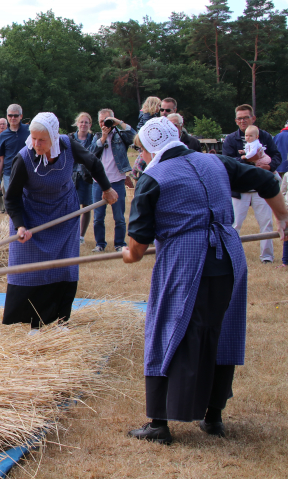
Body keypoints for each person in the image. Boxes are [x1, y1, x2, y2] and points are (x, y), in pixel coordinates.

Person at [123, 117, 288, 443]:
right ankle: (213, 418)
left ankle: (159, 424)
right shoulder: (215, 161)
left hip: (187, 262)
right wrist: (283, 217)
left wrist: (129, 255)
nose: (140, 157)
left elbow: (138, 246)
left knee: (171, 331)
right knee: (218, 331)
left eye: (141, 150)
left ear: (152, 147)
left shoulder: (152, 178)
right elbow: (268, 181)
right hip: (228, 257)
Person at [4, 112, 116, 331]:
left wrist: (106, 187)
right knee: (33, 271)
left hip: (64, 216)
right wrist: (20, 226)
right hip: (32, 219)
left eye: (42, 140)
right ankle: (35, 325)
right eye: (33, 138)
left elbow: (92, 161)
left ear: (54, 137)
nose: (36, 144)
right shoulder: (23, 158)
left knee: (65, 269)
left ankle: (61, 320)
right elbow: (12, 198)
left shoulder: (67, 145)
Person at [222, 104, 282, 263]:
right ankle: (232, 257)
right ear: (235, 121)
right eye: (239, 118)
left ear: (253, 118)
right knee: (234, 225)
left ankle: (267, 257)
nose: (243, 121)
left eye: (246, 117)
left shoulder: (265, 136)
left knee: (266, 224)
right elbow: (227, 161)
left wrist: (269, 166)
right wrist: (247, 161)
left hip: (261, 188)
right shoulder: (230, 139)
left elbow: (276, 155)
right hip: (239, 190)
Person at [89, 109, 136, 252]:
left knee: (119, 217)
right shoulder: (97, 136)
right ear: (98, 122)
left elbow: (136, 137)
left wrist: (120, 123)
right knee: (98, 217)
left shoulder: (120, 135)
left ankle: (120, 244)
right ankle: (100, 244)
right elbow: (91, 153)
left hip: (117, 181)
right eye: (101, 121)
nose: (105, 123)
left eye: (107, 120)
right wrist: (103, 137)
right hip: (99, 182)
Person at [0, 104, 30, 215]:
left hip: (28, 173)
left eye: (16, 115)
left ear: (21, 116)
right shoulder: (3, 135)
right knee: (12, 205)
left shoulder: (29, 131)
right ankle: (15, 229)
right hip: (9, 174)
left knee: (28, 203)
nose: (13, 118)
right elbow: (0, 159)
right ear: (7, 116)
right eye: (10, 115)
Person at [68, 112, 95, 244]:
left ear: (90, 125)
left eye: (86, 122)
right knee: (72, 206)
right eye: (81, 122)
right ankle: (72, 233)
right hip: (72, 174)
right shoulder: (70, 138)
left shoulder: (93, 139)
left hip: (87, 176)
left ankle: (81, 236)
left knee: (86, 205)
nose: (83, 124)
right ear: (77, 123)